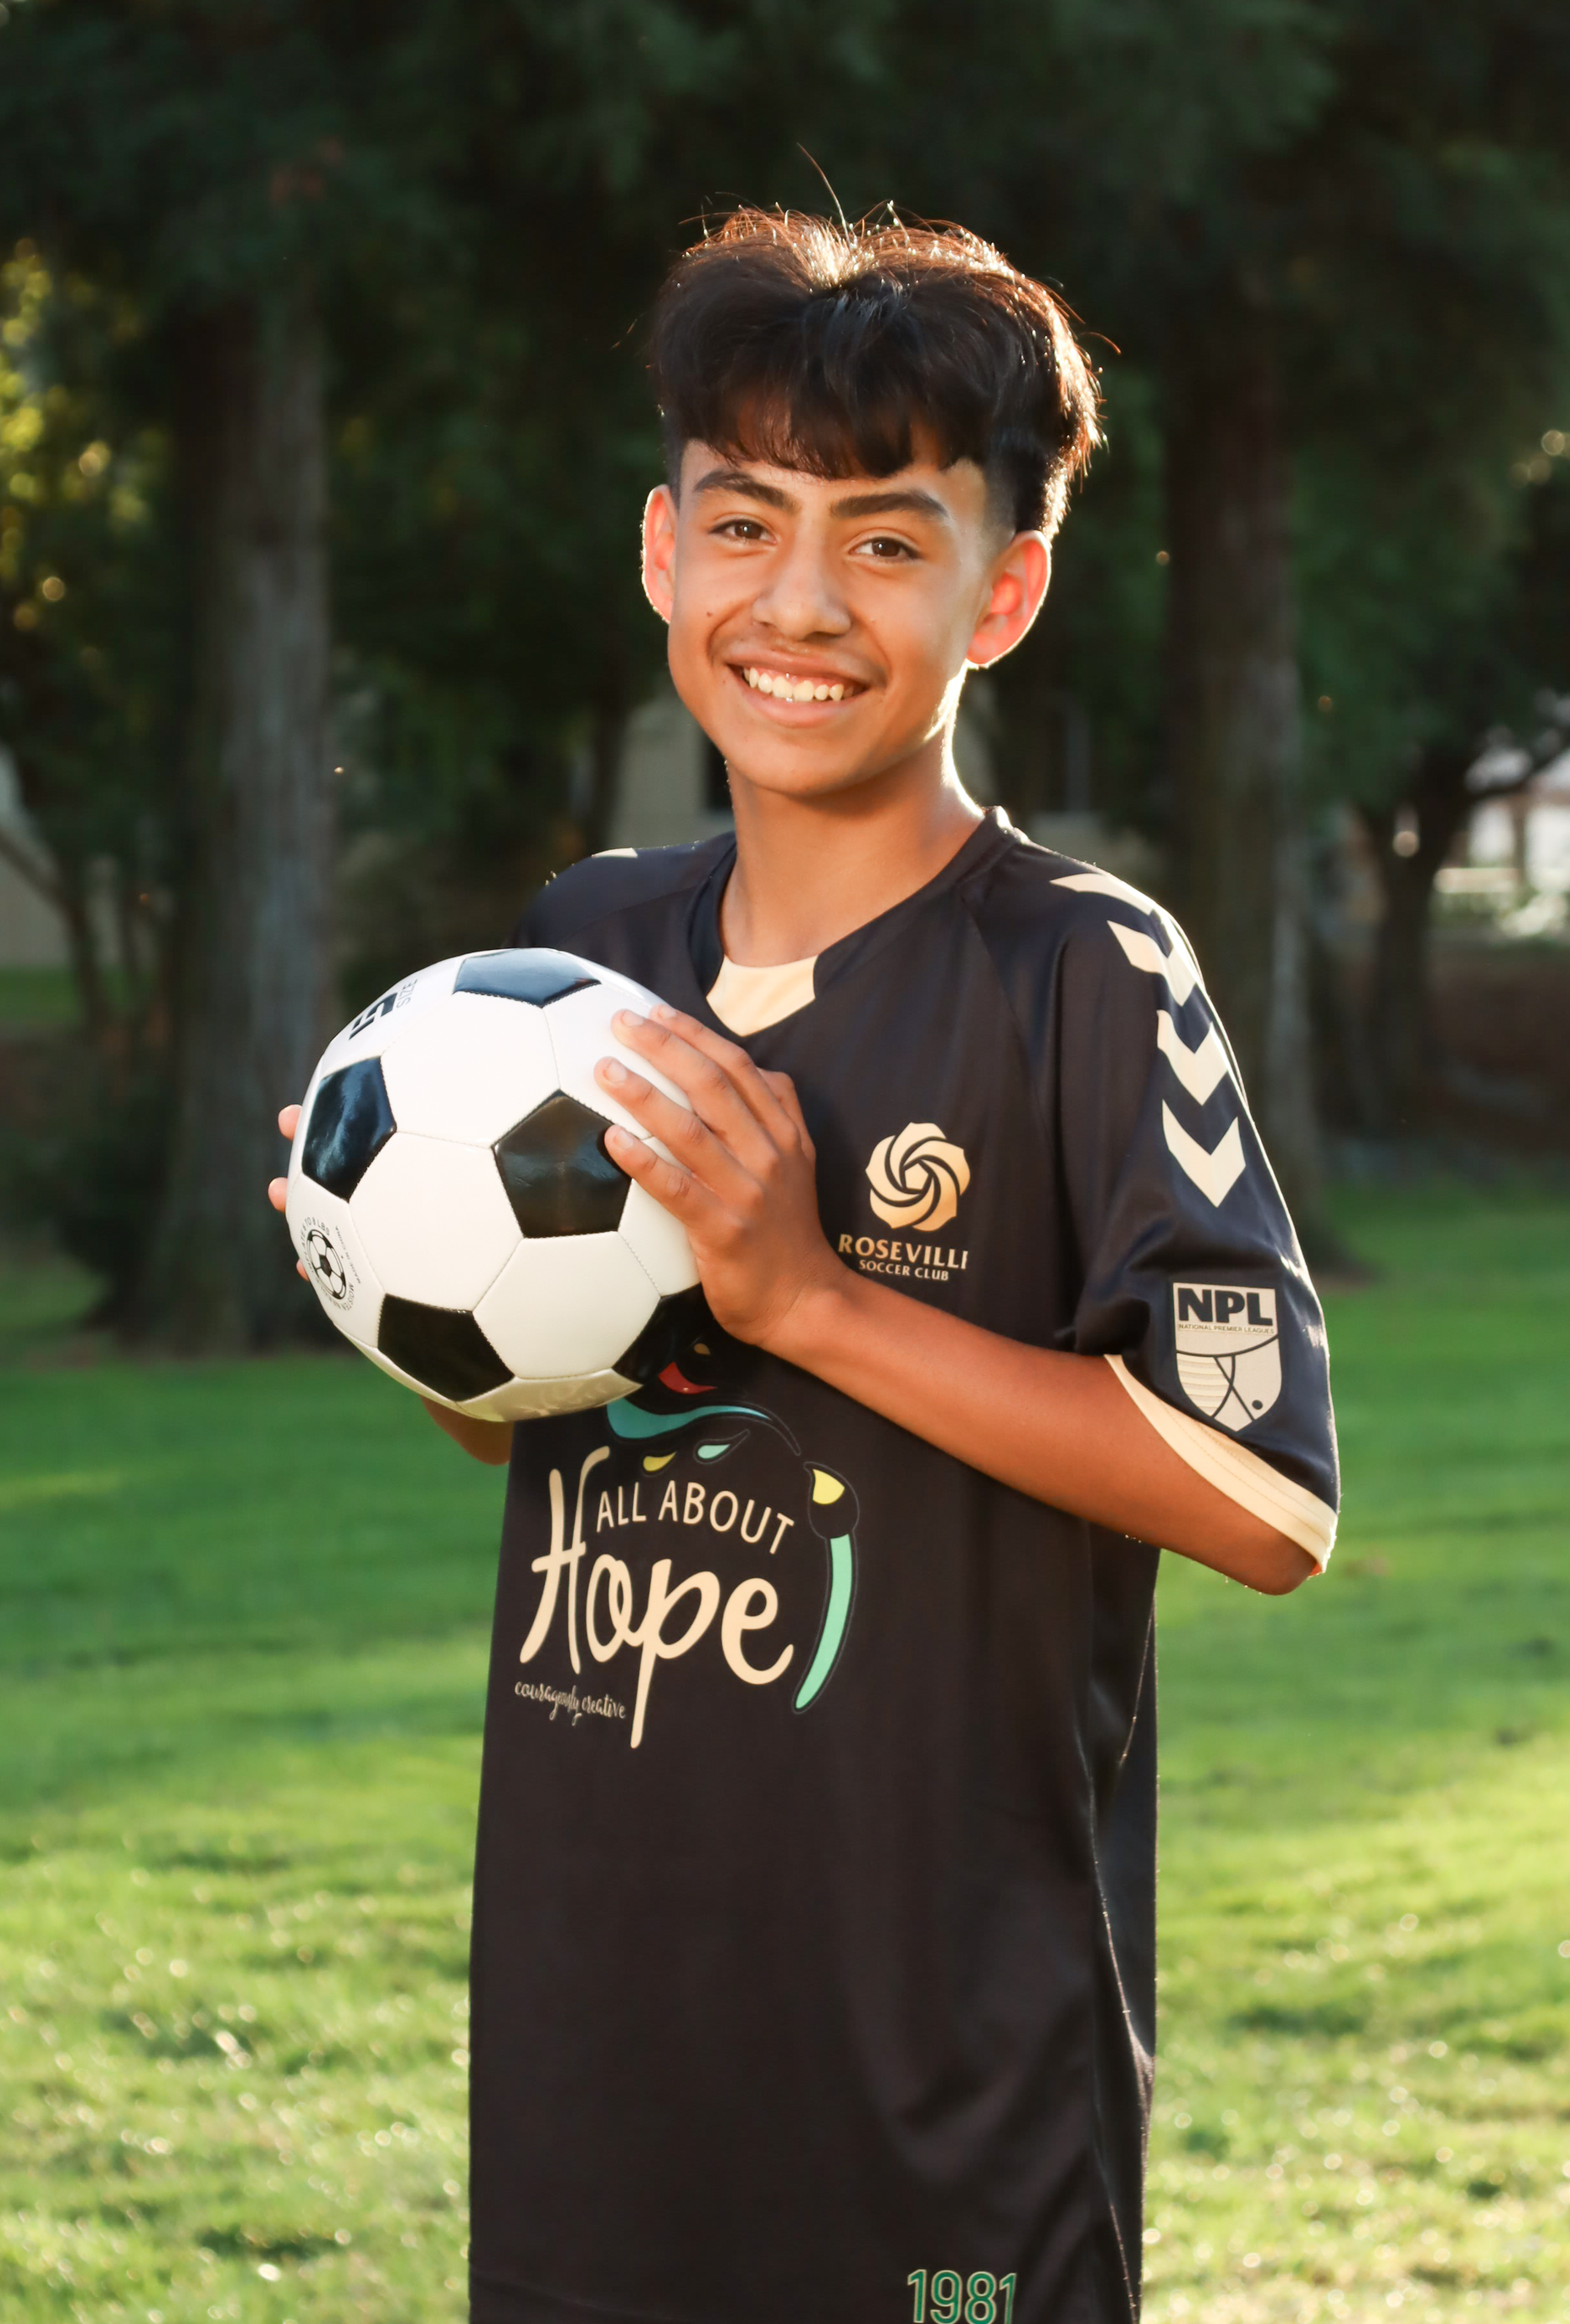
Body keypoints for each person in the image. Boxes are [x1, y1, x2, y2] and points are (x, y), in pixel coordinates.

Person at [273, 208, 1339, 2324]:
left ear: (1000, 591)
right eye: (745, 520)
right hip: (596, 2029)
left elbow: (1263, 1500)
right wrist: (381, 1257)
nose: (797, 600)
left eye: (883, 538)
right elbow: (540, 1422)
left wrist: (813, 1299)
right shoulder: (580, 954)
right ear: (662, 547)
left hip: (943, 2065)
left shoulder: (1081, 970)